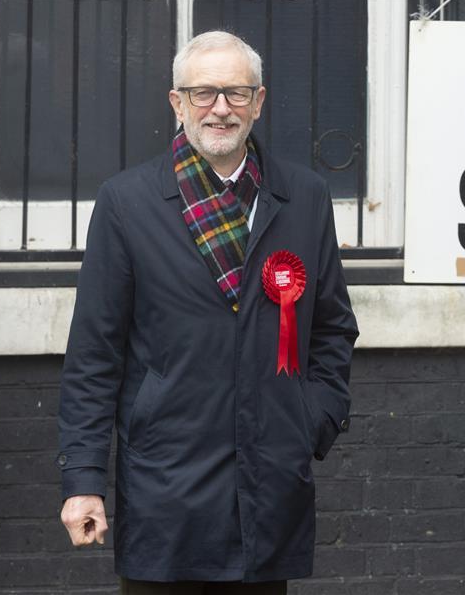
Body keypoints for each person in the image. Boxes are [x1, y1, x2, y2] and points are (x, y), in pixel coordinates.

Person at [57, 31, 358, 594]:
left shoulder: (306, 196)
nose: (221, 108)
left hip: (269, 490)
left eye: (236, 93)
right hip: (165, 490)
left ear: (259, 102)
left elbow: (334, 327)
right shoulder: (126, 203)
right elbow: (94, 354)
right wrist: (83, 479)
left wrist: (309, 419)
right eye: (203, 93)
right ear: (177, 103)